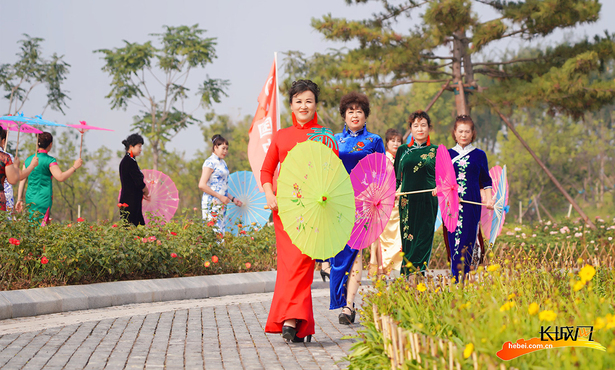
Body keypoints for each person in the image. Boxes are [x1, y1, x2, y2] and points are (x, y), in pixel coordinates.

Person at [261, 79, 338, 343]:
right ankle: (297, 323)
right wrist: (270, 193)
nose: (303, 106)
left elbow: (333, 173)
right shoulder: (281, 136)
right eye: (298, 101)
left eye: (308, 101)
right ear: (291, 105)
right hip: (285, 212)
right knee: (288, 266)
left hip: (313, 212)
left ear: (315, 104)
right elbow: (266, 170)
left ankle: (291, 321)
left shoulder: (326, 137)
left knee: (302, 266)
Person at [328, 92, 385, 325]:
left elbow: (382, 173)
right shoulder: (333, 141)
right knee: (338, 254)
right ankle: (341, 298)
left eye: (358, 111)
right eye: (350, 111)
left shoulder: (374, 141)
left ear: (365, 115)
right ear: (343, 115)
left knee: (356, 252)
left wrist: (376, 194)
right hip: (338, 204)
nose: (354, 115)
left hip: (363, 203)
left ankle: (348, 305)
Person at [446, 115, 493, 281]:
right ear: (455, 133)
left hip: (472, 205)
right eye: (460, 131)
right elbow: (443, 181)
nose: (463, 135)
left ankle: (463, 280)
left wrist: (489, 200)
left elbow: (486, 181)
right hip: (452, 206)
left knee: (468, 241)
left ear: (473, 133)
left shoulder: (479, 155)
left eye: (467, 131)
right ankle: (455, 279)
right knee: (454, 243)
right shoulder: (447, 154)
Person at [393, 110, 438, 275]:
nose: (420, 129)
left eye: (423, 125)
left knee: (423, 240)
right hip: (407, 202)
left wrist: (439, 187)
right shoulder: (403, 150)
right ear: (410, 128)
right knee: (408, 240)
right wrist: (393, 192)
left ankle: (417, 276)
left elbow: (444, 178)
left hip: (428, 201)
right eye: (416, 125)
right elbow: (396, 178)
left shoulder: (437, 150)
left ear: (429, 128)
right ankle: (407, 279)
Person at [16, 132, 82, 221]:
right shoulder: (49, 160)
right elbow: (60, 177)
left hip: (29, 198)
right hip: (43, 198)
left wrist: (19, 198)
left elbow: (22, 179)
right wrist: (74, 167)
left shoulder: (28, 160)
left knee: (31, 224)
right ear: (50, 145)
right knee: (41, 226)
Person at [198, 134, 242, 231]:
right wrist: (220, 197)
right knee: (213, 233)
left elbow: (222, 186)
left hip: (221, 203)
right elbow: (202, 185)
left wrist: (233, 199)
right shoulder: (210, 162)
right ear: (215, 147)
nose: (225, 151)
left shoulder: (223, 163)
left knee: (221, 232)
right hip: (212, 203)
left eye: (227, 149)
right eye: (223, 148)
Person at [376, 128, 404, 275]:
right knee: (385, 239)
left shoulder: (402, 159)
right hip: (386, 205)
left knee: (398, 238)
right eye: (393, 140)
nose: (396, 143)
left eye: (399, 141)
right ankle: (383, 268)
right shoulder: (383, 159)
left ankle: (395, 270)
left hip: (399, 205)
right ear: (387, 142)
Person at [118, 133, 150, 226]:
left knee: (137, 227)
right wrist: (146, 190)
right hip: (129, 202)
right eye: (139, 146)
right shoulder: (128, 161)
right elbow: (138, 181)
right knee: (133, 227)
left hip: (133, 201)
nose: (141, 149)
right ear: (131, 147)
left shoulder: (131, 160)